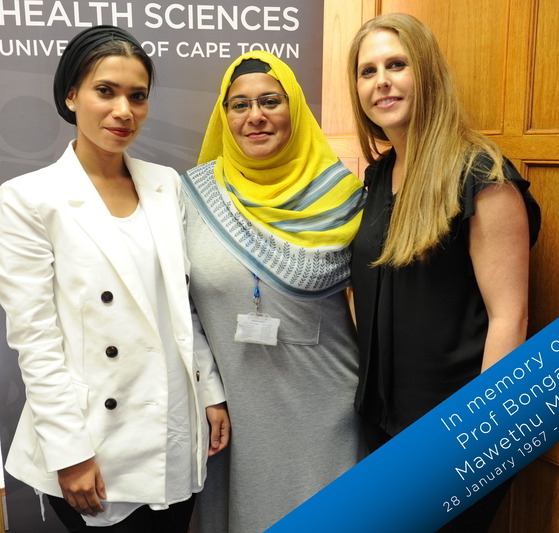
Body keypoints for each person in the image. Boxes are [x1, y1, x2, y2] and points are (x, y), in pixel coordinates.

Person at [0, 25, 229, 532]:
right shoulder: (29, 198)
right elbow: (34, 340)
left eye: (137, 96)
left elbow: (180, 306)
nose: (124, 110)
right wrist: (69, 452)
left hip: (172, 430)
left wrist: (209, 392)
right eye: (106, 91)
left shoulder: (165, 184)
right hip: (92, 441)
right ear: (71, 95)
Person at [347, 14, 541, 532]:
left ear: (428, 73)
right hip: (384, 424)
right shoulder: (380, 175)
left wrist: (475, 434)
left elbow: (510, 317)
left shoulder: (483, 176)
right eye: (367, 71)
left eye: (396, 64)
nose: (381, 81)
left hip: (457, 433)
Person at [181, 51, 365, 533]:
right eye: (239, 105)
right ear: (224, 117)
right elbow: (180, 308)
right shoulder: (192, 194)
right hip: (234, 416)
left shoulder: (346, 196)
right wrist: (207, 390)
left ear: (295, 109)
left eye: (269, 101)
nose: (255, 116)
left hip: (326, 413)